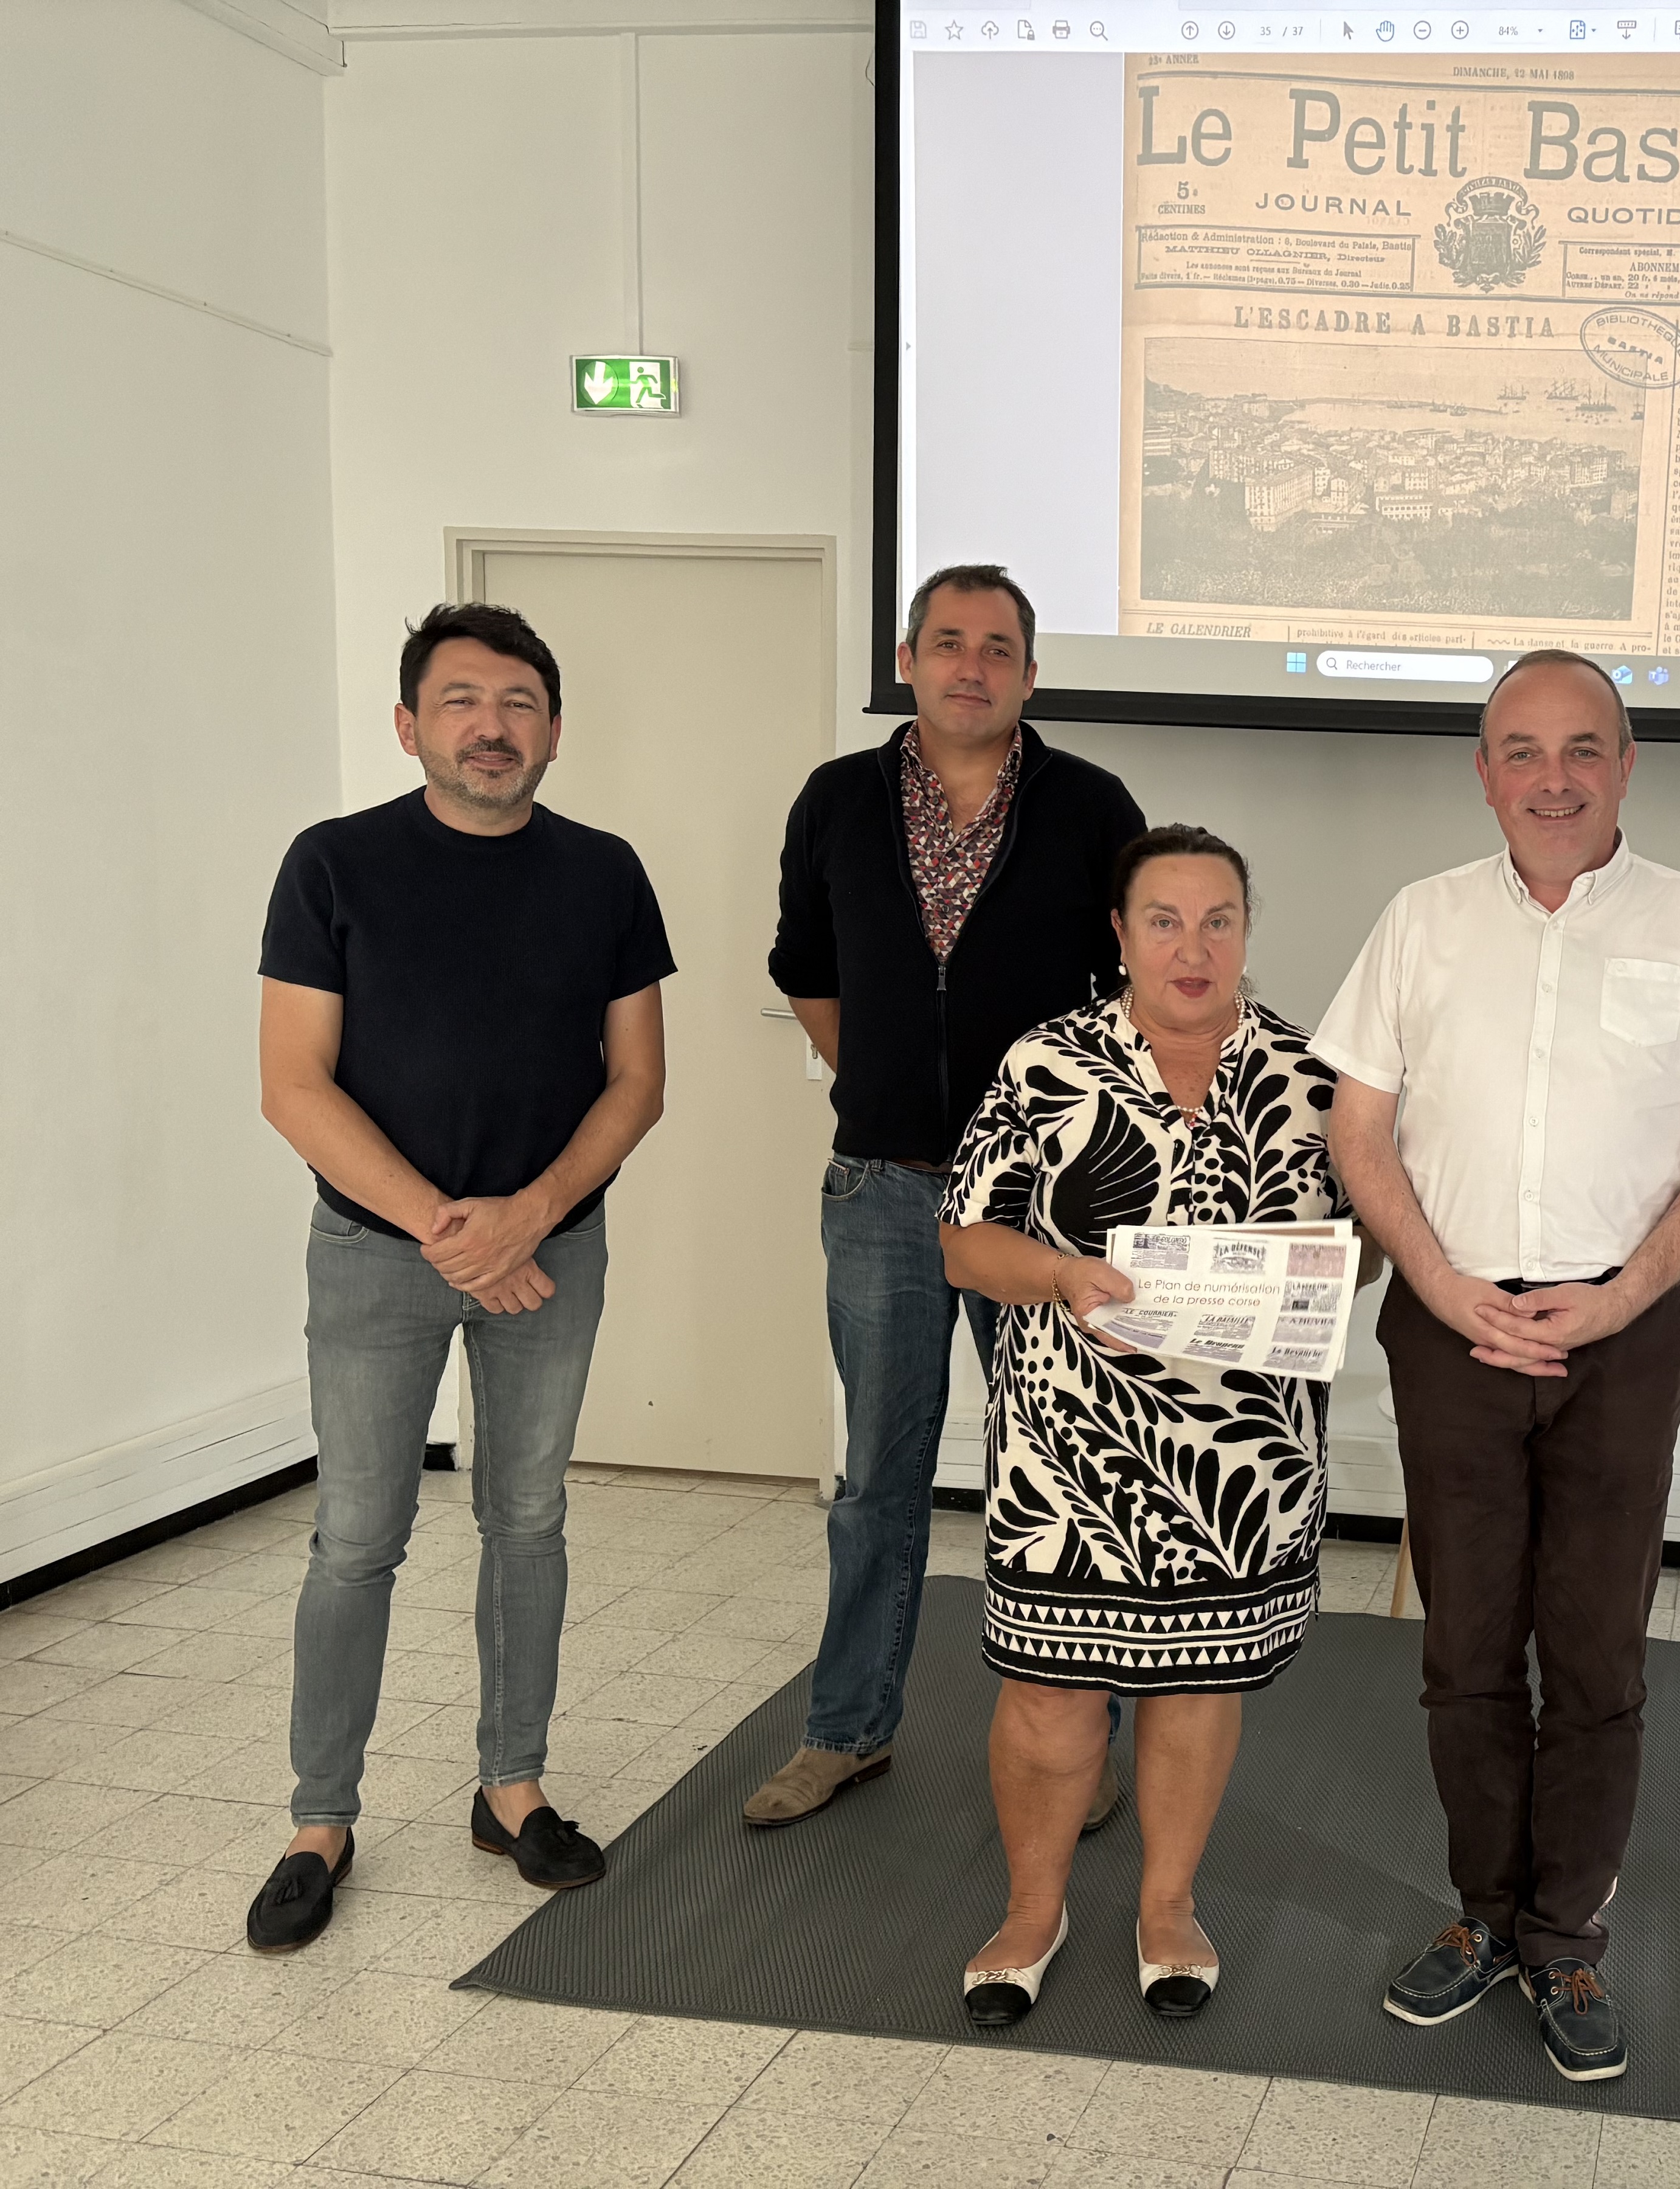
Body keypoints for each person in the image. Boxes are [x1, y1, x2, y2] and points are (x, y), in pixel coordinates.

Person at [1316, 651, 1680, 2084]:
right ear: (1483, 771)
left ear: (1628, 763)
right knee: (1466, 1650)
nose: (1552, 777)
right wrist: (1447, 1281)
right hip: (1450, 1323)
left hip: (1626, 1335)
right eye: (1520, 749)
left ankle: (1567, 1937)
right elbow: (1361, 1132)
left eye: (1583, 747)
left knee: (1594, 1652)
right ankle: (1482, 1918)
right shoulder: (1420, 923)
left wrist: (1616, 1297)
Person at [246, 603, 673, 1951]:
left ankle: (512, 1787)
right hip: (379, 1256)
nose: (494, 727)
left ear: (554, 729)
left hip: (552, 1252)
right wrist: (454, 1231)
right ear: (408, 724)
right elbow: (291, 1087)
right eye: (462, 701)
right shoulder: (332, 865)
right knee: (357, 1538)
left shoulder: (605, 873)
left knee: (527, 1521)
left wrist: (531, 1216)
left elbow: (640, 1082)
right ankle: (321, 1820)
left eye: (520, 704)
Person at [748, 564, 1145, 1830]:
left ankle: (1079, 1745)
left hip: (1040, 1209)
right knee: (879, 1478)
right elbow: (807, 968)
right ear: (908, 659)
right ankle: (847, 1730)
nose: (973, 666)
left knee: (1064, 1476)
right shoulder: (836, 800)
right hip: (881, 1192)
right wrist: (871, 1078)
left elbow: (1130, 998)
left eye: (1001, 648)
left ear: (1031, 676)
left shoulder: (1090, 807)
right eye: (949, 642)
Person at [935, 825, 1354, 2024]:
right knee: (1051, 1692)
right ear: (1118, 934)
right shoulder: (1046, 1063)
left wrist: (1308, 1274)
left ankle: (1168, 1907)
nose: (1192, 945)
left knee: (1193, 1686)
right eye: (1163, 920)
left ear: (1246, 931)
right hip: (1068, 1450)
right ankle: (1033, 1909)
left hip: (1240, 1462)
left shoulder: (1309, 1071)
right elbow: (966, 1241)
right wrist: (1065, 1276)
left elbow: (1359, 1257)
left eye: (1218, 919)